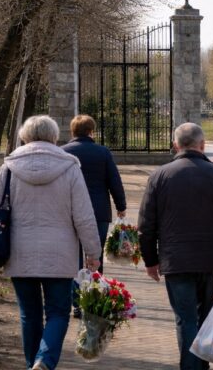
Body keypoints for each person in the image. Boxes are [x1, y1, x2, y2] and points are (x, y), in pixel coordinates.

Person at [0, 115, 101, 370]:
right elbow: (84, 215)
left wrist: (0, 232)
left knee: (29, 314)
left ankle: (32, 364)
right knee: (58, 313)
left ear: (25, 136)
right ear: (54, 136)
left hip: (18, 251)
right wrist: (93, 252)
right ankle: (43, 361)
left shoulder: (10, 167)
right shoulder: (69, 166)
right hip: (60, 255)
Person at [138, 123, 213, 370]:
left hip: (175, 260)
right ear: (202, 145)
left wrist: (150, 260)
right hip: (210, 260)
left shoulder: (159, 176)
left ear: (175, 145)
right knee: (205, 318)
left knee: (186, 320)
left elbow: (146, 225)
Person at [62, 114, 127, 318]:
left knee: (73, 259)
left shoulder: (63, 153)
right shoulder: (102, 152)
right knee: (95, 257)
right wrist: (121, 205)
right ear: (92, 131)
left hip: (69, 212)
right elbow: (114, 181)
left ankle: (76, 303)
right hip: (98, 211)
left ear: (72, 132)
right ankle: (94, 300)